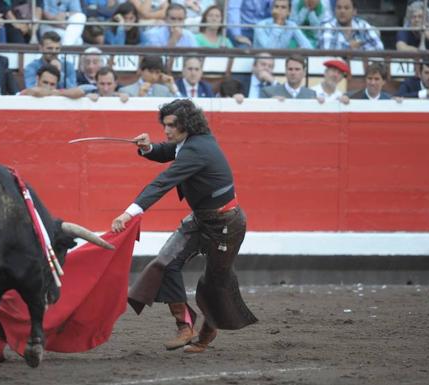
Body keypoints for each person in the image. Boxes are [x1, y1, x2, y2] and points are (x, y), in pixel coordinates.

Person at [110, 99, 258, 354]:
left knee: (215, 282)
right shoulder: (192, 142)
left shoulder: (196, 149)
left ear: (187, 124)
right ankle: (185, 326)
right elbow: (168, 151)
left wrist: (129, 212)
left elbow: (161, 183)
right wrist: (148, 148)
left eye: (172, 125)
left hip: (226, 224)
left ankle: (206, 334)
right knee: (164, 264)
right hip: (202, 219)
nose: (166, 130)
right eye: (165, 125)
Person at [318, 0, 383, 50]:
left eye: (346, 8)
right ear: (335, 10)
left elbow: (379, 48)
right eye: (339, 8)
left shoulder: (363, 25)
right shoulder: (328, 26)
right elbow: (327, 50)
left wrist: (345, 50)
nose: (342, 11)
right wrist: (349, 48)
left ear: (354, 11)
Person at [21, 64, 86, 98]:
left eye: (52, 84)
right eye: (45, 82)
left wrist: (58, 93)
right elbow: (35, 92)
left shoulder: (57, 92)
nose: (48, 87)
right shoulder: (27, 91)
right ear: (37, 78)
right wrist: (55, 93)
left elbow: (80, 92)